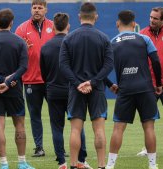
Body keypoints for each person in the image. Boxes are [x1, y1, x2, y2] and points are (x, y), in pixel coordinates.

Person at [59, 2, 113, 169]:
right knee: (99, 129)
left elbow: (63, 65)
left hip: (76, 90)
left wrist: (78, 84)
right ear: (95, 16)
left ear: (79, 17)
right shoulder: (103, 38)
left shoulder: (69, 38)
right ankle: (102, 165)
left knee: (75, 130)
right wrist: (93, 82)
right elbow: (109, 65)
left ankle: (74, 165)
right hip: (96, 89)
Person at [106, 10, 162, 169]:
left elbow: (100, 69)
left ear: (117, 23)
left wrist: (110, 85)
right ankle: (152, 165)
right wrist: (158, 84)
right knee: (149, 127)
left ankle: (110, 166)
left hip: (125, 90)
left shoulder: (112, 43)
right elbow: (156, 62)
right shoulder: (144, 39)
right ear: (133, 24)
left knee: (118, 129)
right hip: (145, 88)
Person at [0, 8, 35, 169]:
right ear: (12, 23)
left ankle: (4, 163)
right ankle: (22, 162)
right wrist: (9, 80)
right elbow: (24, 67)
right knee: (19, 124)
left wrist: (0, 80)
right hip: (14, 88)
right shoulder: (19, 42)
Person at [40, 12, 92, 169]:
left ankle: (62, 162)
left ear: (53, 26)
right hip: (73, 90)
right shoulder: (73, 44)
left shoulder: (45, 47)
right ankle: (81, 160)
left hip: (53, 91)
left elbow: (43, 73)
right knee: (77, 126)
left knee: (57, 127)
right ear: (68, 26)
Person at [15, 0, 54, 157]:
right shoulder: (21, 29)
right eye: (34, 7)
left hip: (51, 80)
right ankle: (39, 147)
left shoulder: (54, 26)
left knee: (56, 114)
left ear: (46, 9)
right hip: (31, 79)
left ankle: (61, 147)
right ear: (31, 9)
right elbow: (15, 52)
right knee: (35, 115)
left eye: (40, 7)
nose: (37, 10)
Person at [136, 7, 163, 157]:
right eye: (151, 17)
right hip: (149, 84)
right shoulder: (142, 35)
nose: (152, 20)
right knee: (147, 119)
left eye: (155, 18)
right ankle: (147, 148)